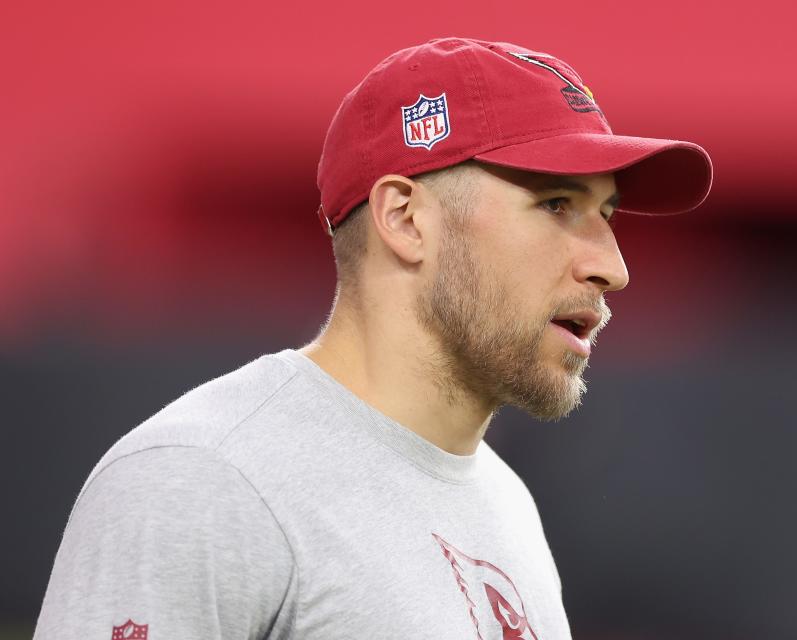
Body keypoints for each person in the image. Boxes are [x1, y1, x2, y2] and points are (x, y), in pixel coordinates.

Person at [34, 37, 712, 639]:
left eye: (607, 213)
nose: (613, 268)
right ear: (405, 220)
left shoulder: (505, 505)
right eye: (557, 204)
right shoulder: (202, 479)